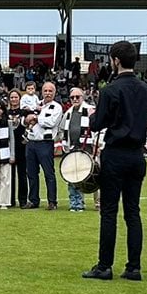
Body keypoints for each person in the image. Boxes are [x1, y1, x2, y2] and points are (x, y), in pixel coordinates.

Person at [82, 40, 147, 280]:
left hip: (115, 154)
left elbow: (97, 124)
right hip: (137, 155)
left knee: (109, 212)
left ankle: (104, 266)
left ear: (115, 60)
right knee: (133, 212)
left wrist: (93, 115)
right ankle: (134, 267)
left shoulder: (110, 90)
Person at [24, 80, 62, 209]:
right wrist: (28, 119)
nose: (47, 93)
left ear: (54, 92)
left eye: (50, 91)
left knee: (48, 173)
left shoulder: (56, 107)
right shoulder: (37, 104)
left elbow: (50, 122)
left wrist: (35, 118)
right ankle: (33, 200)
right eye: (45, 90)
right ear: (42, 92)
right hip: (31, 142)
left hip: (45, 143)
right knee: (31, 173)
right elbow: (26, 120)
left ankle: (52, 201)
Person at [58, 85, 92, 213]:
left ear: (82, 97)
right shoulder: (68, 113)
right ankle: (75, 203)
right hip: (71, 149)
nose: (75, 99)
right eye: (72, 97)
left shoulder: (90, 110)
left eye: (77, 97)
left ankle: (93, 203)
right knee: (72, 177)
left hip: (87, 148)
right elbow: (61, 129)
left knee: (89, 176)